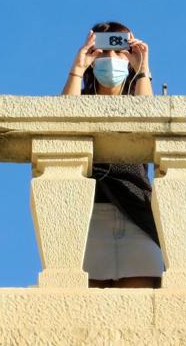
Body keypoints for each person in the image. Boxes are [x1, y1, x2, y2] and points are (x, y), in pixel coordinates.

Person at [61, 21, 164, 288]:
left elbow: (148, 124)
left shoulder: (139, 94)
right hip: (89, 218)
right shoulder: (81, 98)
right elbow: (60, 124)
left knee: (141, 311)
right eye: (103, 50)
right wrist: (77, 68)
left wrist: (143, 69)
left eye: (119, 50)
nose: (111, 58)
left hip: (136, 216)